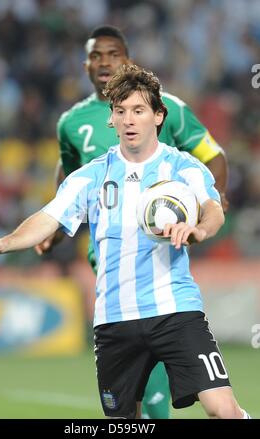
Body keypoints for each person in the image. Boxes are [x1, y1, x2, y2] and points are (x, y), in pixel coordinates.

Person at [0, 64, 251, 420]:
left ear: (158, 116)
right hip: (114, 320)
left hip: (175, 311)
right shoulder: (91, 176)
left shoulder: (183, 168)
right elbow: (48, 217)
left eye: (138, 110)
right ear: (111, 119)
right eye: (120, 111)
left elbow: (213, 210)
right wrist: (5, 242)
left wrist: (199, 230)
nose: (129, 119)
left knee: (222, 410)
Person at [36, 25, 229, 419]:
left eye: (113, 54)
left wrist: (208, 205)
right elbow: (68, 181)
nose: (104, 62)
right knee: (125, 401)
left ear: (128, 60)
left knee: (160, 369)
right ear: (86, 64)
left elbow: (213, 154)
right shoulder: (71, 123)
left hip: (160, 250)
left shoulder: (169, 106)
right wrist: (54, 230)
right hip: (107, 260)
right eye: (96, 55)